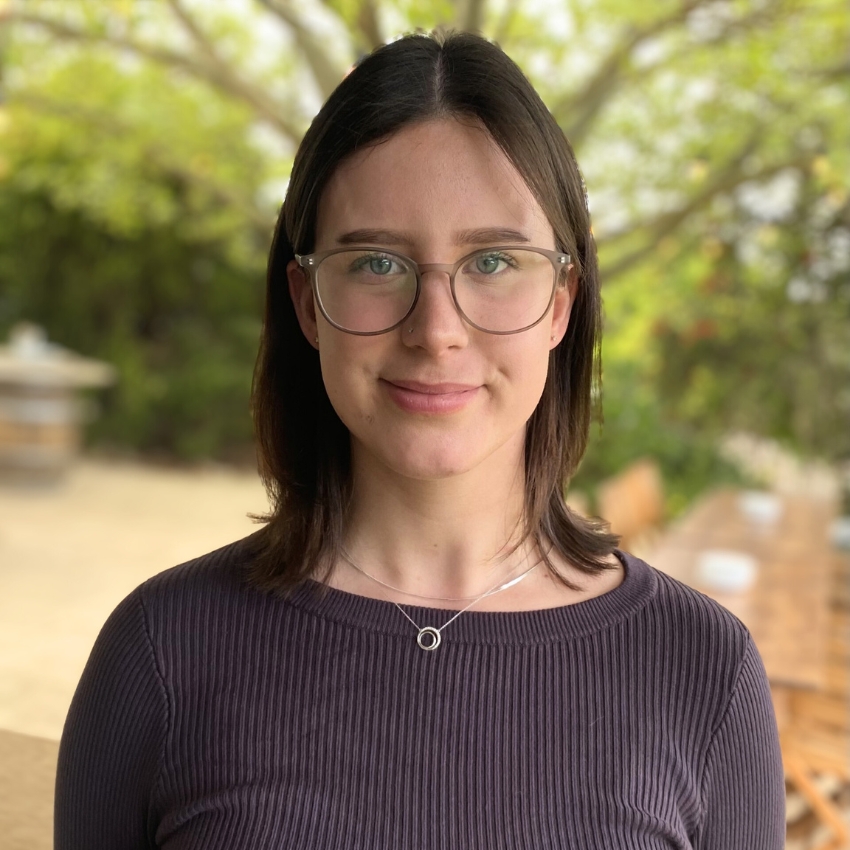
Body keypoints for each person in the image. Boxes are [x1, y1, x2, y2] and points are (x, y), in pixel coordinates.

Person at [54, 30, 785, 849]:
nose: (436, 332)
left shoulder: (703, 673)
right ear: (305, 302)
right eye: (375, 263)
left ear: (560, 303)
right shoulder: (161, 652)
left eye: (494, 262)